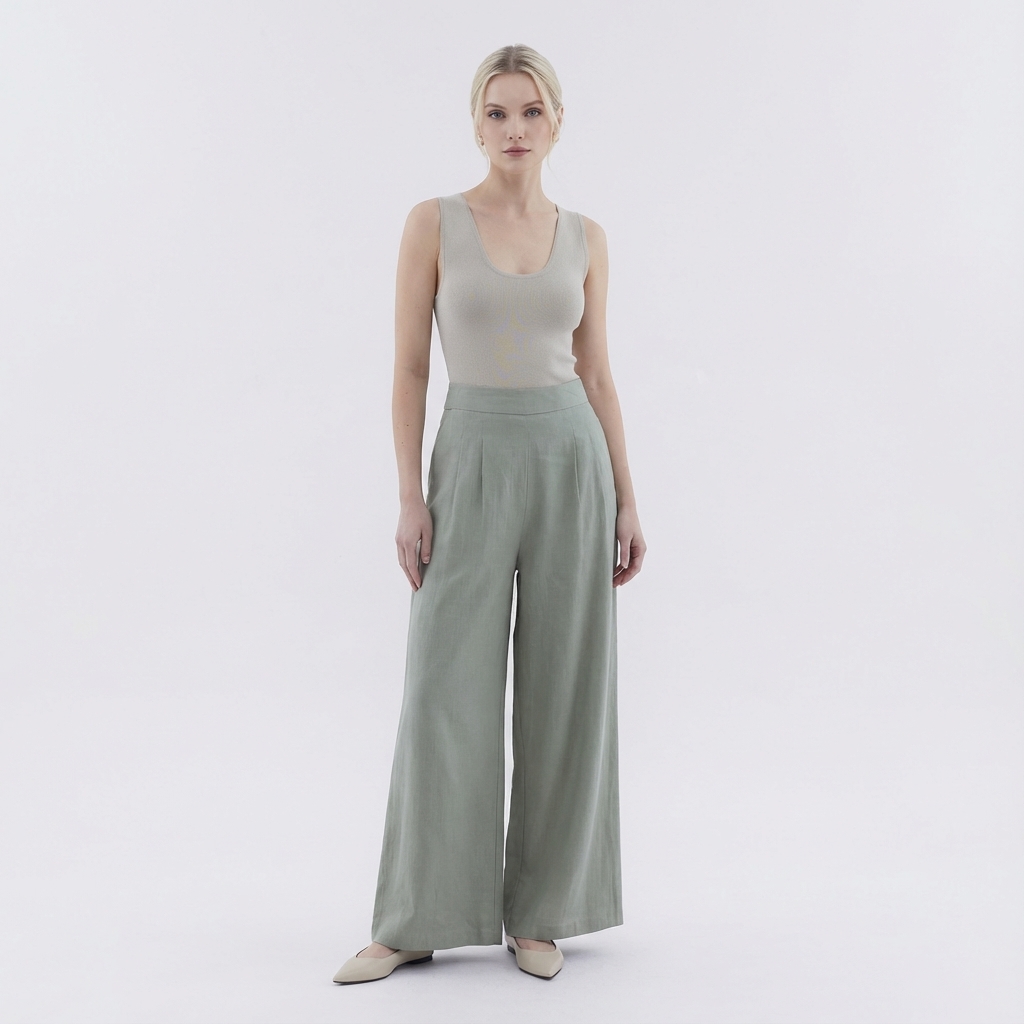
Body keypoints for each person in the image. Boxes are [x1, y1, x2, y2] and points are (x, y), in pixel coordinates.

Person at [334, 43, 646, 985]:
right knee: (444, 689)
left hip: (569, 461)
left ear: (557, 123)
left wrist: (628, 496)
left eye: (531, 112)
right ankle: (414, 917)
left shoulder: (586, 236)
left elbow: (597, 373)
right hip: (468, 459)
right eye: (499, 113)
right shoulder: (433, 222)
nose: (515, 129)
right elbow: (409, 368)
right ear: (476, 124)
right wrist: (408, 496)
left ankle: (542, 912)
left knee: (565, 688)